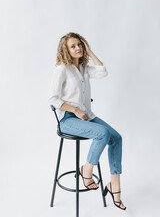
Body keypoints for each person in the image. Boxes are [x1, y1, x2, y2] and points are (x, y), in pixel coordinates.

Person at [48, 32, 126, 210]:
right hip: (67, 119)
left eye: (79, 45)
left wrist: (89, 51)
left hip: (86, 116)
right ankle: (86, 170)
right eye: (73, 46)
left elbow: (102, 71)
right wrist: (75, 110)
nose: (78, 48)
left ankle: (114, 185)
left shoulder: (83, 68)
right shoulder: (61, 69)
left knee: (117, 138)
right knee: (103, 134)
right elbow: (52, 99)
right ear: (66, 50)